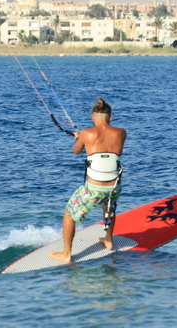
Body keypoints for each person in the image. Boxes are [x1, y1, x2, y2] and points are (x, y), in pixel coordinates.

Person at [49, 98, 127, 264]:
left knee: (69, 214)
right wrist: (84, 137)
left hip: (93, 188)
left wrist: (80, 138)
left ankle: (67, 254)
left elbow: (77, 151)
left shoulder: (86, 133)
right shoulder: (122, 132)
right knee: (109, 208)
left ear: (93, 117)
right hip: (114, 186)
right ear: (111, 117)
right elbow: (107, 144)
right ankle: (108, 240)